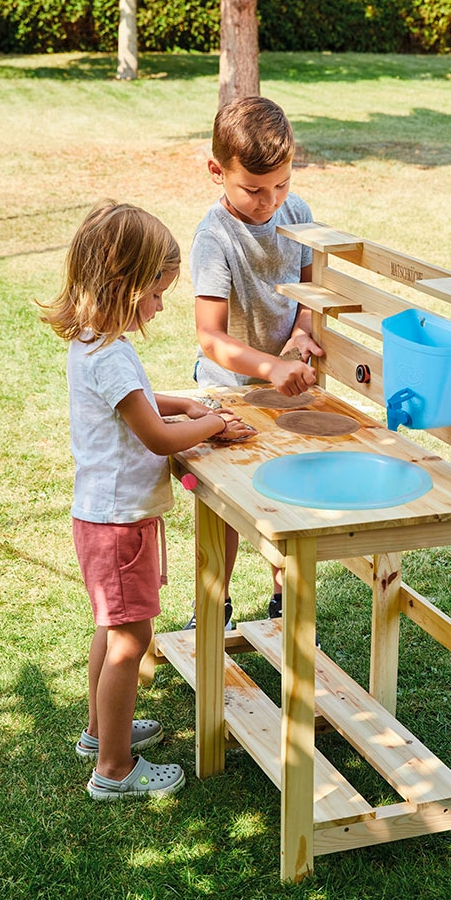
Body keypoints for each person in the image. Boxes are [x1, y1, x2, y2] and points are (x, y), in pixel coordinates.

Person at [39, 201, 254, 800]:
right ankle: (113, 769)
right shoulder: (109, 354)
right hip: (118, 526)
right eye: (157, 293)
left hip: (104, 518)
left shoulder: (93, 344)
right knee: (130, 640)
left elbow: (136, 401)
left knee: (111, 632)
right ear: (126, 285)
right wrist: (209, 426)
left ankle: (99, 731)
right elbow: (155, 436)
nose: (161, 306)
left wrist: (183, 403)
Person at [187, 95, 323, 630]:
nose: (270, 201)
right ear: (217, 172)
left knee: (284, 491)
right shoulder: (214, 237)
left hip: (285, 388)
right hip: (226, 392)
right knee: (224, 505)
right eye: (253, 189)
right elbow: (210, 339)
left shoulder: (299, 214)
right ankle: (213, 605)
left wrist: (304, 331)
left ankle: (282, 600)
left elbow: (313, 289)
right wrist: (269, 366)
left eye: (282, 185)